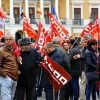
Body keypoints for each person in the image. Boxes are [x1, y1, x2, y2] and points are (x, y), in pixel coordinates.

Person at [0, 33, 20, 100]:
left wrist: (18, 60)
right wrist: (6, 76)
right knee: (6, 97)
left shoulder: (14, 50)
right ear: (4, 41)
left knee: (11, 97)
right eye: (7, 39)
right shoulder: (1, 51)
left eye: (10, 39)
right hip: (6, 77)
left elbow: (13, 63)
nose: (8, 41)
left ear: (13, 40)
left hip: (14, 77)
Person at [79, 33, 93, 100]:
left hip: (87, 68)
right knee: (90, 85)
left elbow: (87, 58)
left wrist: (80, 57)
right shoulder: (87, 48)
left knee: (84, 84)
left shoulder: (90, 48)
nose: (84, 42)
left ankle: (82, 98)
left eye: (85, 40)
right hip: (89, 69)